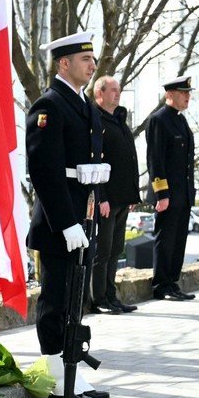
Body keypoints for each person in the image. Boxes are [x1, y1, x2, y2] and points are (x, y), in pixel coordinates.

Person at [25, 30, 110, 398]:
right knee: (56, 298)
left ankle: (71, 372)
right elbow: (44, 172)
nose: (92, 66)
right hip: (60, 222)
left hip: (82, 217)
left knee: (77, 299)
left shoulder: (84, 105)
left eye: (92, 60)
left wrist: (90, 212)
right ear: (64, 63)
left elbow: (89, 168)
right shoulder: (49, 105)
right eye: (85, 60)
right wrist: (66, 222)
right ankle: (55, 378)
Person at [88, 75, 140, 314]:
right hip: (106, 200)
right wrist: (102, 197)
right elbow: (94, 161)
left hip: (122, 199)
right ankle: (98, 299)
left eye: (119, 90)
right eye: (112, 90)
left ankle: (111, 296)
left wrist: (132, 196)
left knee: (116, 248)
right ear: (100, 93)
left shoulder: (119, 119)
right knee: (103, 250)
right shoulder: (95, 120)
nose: (117, 94)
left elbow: (128, 158)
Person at [145, 76, 197, 301]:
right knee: (165, 239)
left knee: (178, 239)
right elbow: (155, 160)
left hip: (183, 192)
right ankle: (161, 285)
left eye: (188, 93)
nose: (187, 96)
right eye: (183, 92)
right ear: (169, 95)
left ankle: (172, 282)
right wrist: (161, 193)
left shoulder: (181, 120)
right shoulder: (159, 119)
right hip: (168, 193)